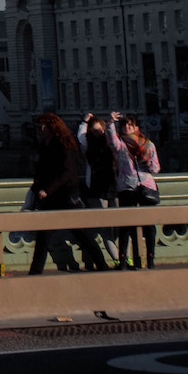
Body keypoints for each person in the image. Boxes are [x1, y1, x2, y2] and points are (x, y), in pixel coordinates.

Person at [27, 114, 109, 275]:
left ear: (52, 128)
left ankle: (102, 265)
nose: (39, 130)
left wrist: (46, 190)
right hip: (51, 198)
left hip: (65, 197)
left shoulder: (62, 146)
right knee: (44, 237)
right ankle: (35, 272)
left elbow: (66, 173)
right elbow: (41, 172)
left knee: (81, 234)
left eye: (42, 127)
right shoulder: (45, 145)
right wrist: (37, 188)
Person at [110, 112, 160, 269]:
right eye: (124, 125)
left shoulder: (148, 145)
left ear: (136, 127)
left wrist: (147, 163)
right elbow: (111, 140)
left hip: (146, 186)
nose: (127, 127)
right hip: (127, 187)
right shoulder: (121, 145)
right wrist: (110, 123)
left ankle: (150, 259)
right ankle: (123, 259)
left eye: (130, 125)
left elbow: (156, 168)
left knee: (149, 226)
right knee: (126, 225)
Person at [78, 113, 119, 264]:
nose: (99, 133)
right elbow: (81, 136)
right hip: (96, 189)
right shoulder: (87, 145)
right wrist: (84, 121)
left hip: (114, 187)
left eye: (100, 130)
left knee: (120, 224)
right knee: (105, 229)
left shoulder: (112, 145)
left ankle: (122, 257)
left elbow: (113, 136)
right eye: (94, 131)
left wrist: (111, 123)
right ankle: (119, 259)